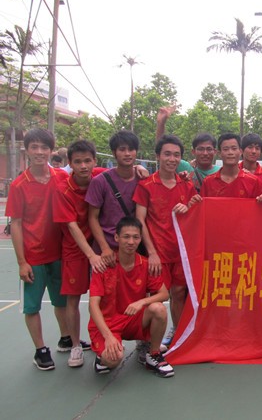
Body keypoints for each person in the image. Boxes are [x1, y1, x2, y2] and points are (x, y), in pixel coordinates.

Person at [6, 128, 69, 370]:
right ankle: (40, 349)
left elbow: (89, 173)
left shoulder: (60, 177)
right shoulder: (19, 185)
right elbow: (16, 224)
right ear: (27, 150)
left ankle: (66, 338)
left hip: (59, 254)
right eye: (35, 147)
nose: (40, 152)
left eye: (44, 147)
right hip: (33, 257)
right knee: (32, 306)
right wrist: (22, 262)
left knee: (61, 301)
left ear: (51, 151)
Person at [134, 135, 200, 352]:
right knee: (156, 299)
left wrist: (190, 207)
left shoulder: (186, 185)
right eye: (167, 154)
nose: (172, 159)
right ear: (158, 156)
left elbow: (194, 215)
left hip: (180, 253)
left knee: (179, 293)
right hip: (158, 253)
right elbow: (140, 220)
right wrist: (151, 252)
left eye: (176, 155)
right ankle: (148, 344)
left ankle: (178, 339)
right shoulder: (146, 185)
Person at [88, 217, 174, 377]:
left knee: (159, 309)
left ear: (140, 239)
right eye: (126, 237)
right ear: (116, 237)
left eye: (136, 237)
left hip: (132, 320)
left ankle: (153, 354)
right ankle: (102, 357)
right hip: (108, 323)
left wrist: (141, 302)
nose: (131, 241)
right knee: (113, 359)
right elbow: (93, 305)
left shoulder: (146, 264)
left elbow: (164, 294)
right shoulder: (104, 265)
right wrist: (108, 337)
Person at [53, 140, 106, 368]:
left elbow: (125, 171)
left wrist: (138, 168)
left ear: (94, 161)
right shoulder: (62, 189)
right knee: (73, 299)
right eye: (77, 162)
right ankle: (75, 345)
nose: (83, 166)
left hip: (100, 246)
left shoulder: (101, 176)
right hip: (76, 250)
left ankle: (103, 339)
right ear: (70, 163)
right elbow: (72, 226)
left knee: (104, 296)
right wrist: (91, 255)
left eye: (87, 161)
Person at [86, 131, 143, 269]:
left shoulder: (143, 179)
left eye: (131, 149)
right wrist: (104, 248)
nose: (127, 153)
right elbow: (92, 217)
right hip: (107, 251)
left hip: (134, 249)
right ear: (114, 152)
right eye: (122, 149)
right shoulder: (100, 182)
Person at [201, 133, 262, 198]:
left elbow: (259, 203)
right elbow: (202, 203)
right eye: (225, 149)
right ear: (219, 153)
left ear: (240, 151)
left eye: (234, 148)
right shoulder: (208, 182)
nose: (230, 152)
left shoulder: (253, 181)